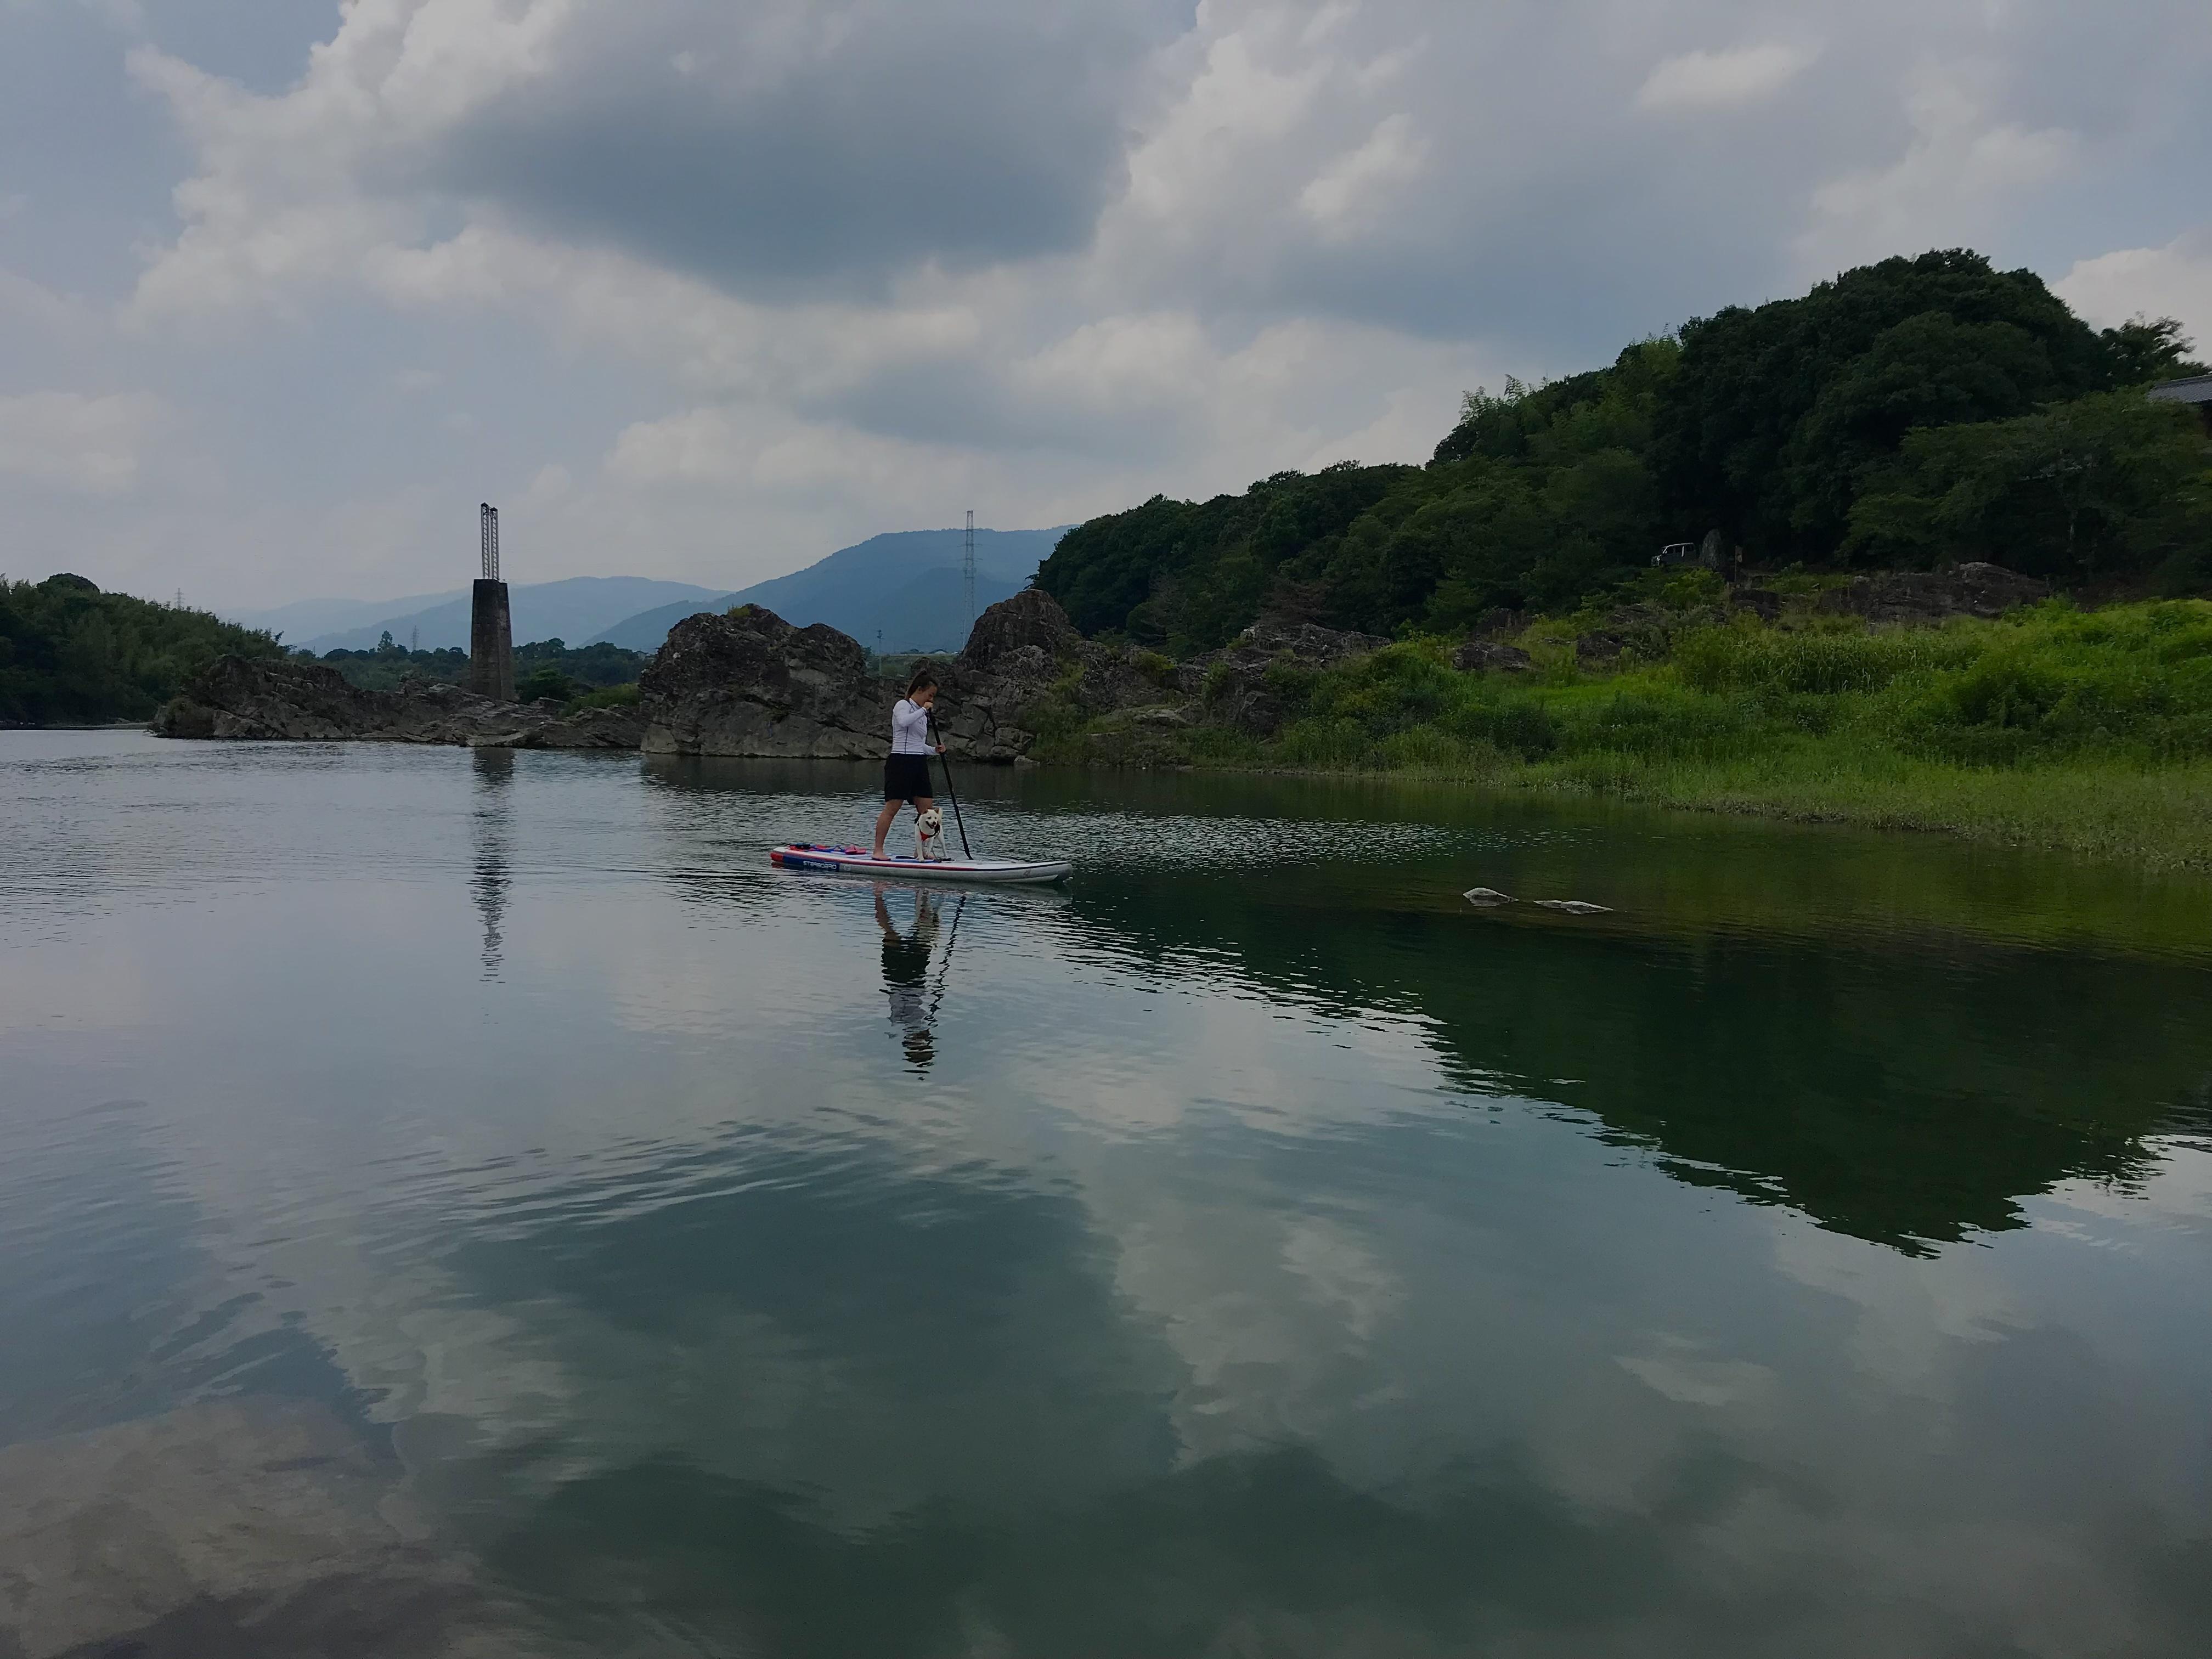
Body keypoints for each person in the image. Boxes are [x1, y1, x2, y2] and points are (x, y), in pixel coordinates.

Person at [873, 669, 944, 858]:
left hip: (918, 762)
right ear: (920, 690)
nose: (931, 700)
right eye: (930, 695)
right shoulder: (902, 706)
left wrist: (934, 750)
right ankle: (878, 851)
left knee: (928, 811)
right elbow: (903, 723)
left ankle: (921, 851)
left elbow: (918, 744)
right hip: (900, 762)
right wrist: (923, 710)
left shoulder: (922, 714)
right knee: (892, 808)